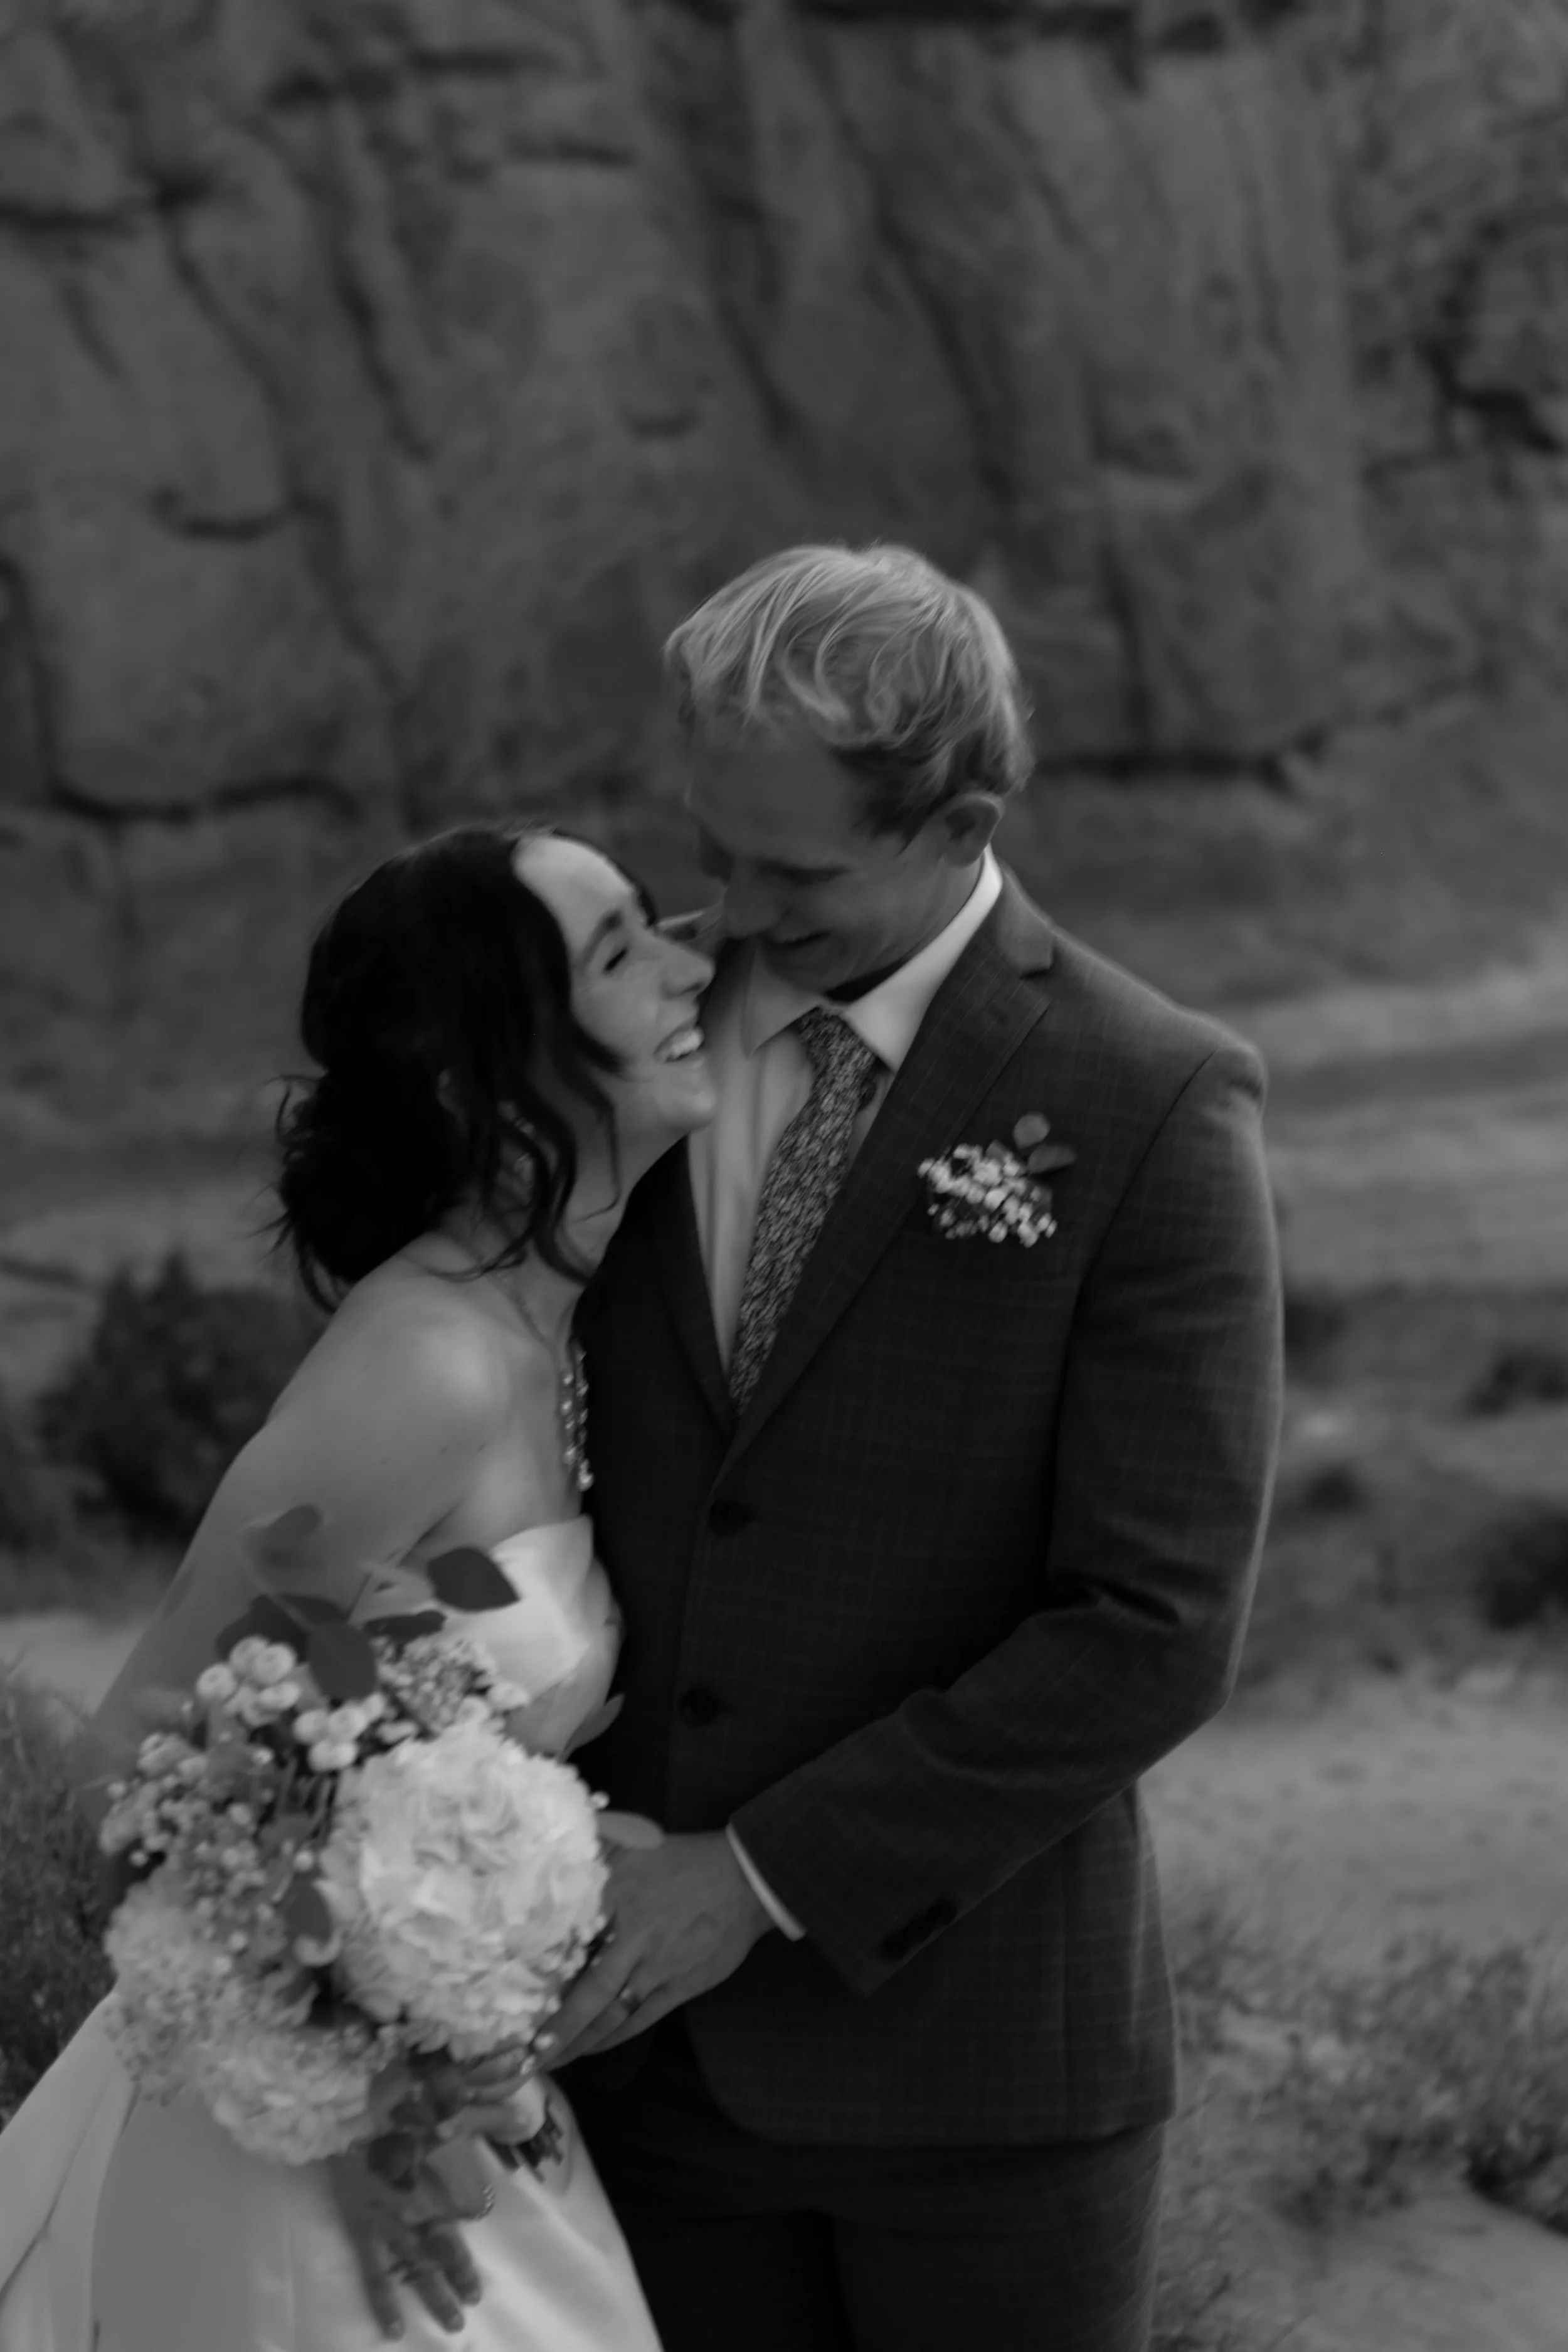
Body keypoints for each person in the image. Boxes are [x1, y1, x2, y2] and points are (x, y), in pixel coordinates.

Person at [544, 543, 1286, 2352]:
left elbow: (1150, 1624)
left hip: (984, 2077)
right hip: (634, 2067)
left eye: (792, 870)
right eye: (709, 848)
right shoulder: (620, 1048)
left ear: (956, 819)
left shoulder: (1150, 1099)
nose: (732, 909)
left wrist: (758, 1873)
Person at [0, 821, 722, 2352]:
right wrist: (370, 2094)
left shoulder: (566, 1326)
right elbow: (132, 1751)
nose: (689, 965)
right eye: (617, 953)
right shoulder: (423, 1367)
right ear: (481, 1081)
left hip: (460, 2106)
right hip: (306, 2164)